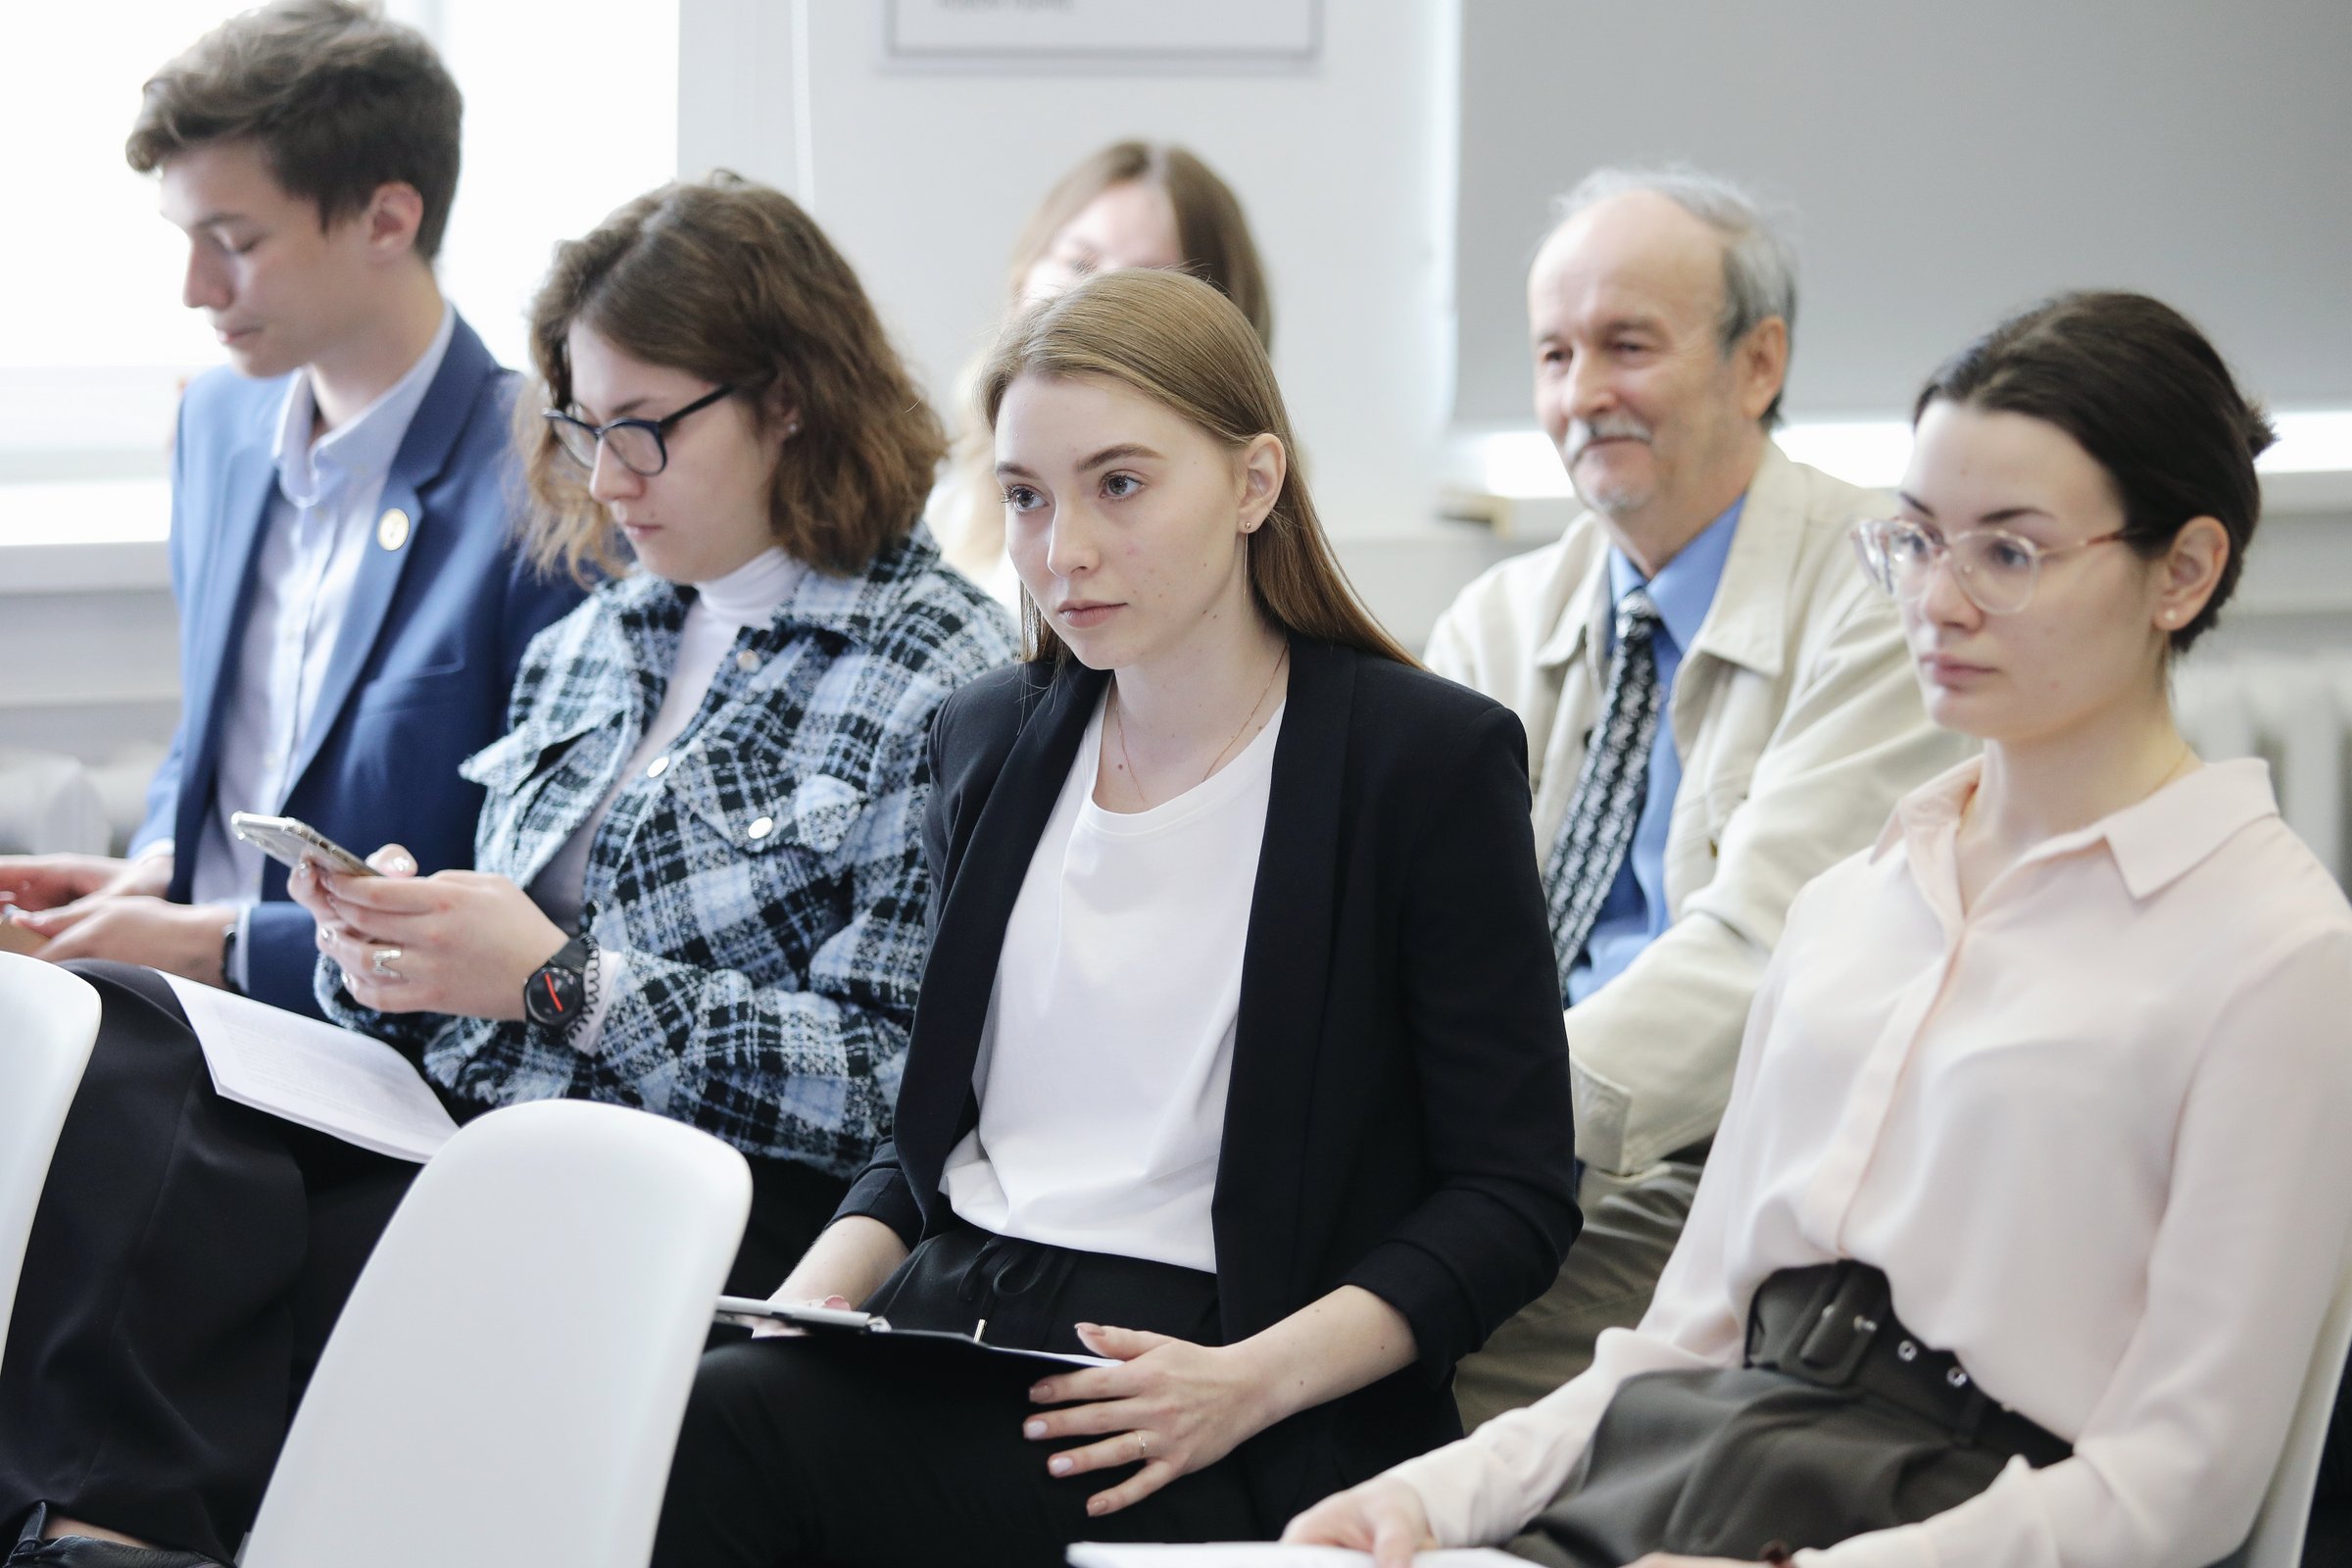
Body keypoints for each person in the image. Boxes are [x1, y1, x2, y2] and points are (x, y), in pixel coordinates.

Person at [0, 174, 1016, 1568]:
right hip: (473, 1116)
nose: (606, 481)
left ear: (789, 398)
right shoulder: (602, 637)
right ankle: (104, 1531)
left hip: (697, 1178)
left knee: (241, 1253)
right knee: (131, 1031)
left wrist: (562, 983)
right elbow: (499, 959)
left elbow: (891, 1090)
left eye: (647, 429)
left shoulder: (941, 673)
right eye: (587, 428)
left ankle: (105, 1529)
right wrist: (394, 943)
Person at [1288, 290, 2352, 1567]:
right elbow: (1681, 1345)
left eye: (2007, 553)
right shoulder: (1855, 903)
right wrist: (1430, 1499)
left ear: (2182, 570)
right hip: (1697, 1476)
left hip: (1954, 1524)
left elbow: (2181, 1486)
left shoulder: (2277, 956)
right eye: (1915, 540)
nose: (1937, 603)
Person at [648, 268, 1583, 1568]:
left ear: (1255, 483)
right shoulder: (986, 738)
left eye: (1120, 485)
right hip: (953, 1322)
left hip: (1227, 1376)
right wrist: (823, 1290)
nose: (1061, 551)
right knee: (680, 1422)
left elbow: (1514, 1195)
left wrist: (1248, 1381)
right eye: (1026, 497)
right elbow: (932, 1142)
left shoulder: (1419, 763)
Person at [1431, 168, 1967, 1428]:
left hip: (1725, 1152)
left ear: (1758, 362)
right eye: (1555, 353)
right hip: (1505, 1131)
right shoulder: (1497, 618)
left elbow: (1764, 960)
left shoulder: (1890, 596)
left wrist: (1469, 1124)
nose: (1582, 394)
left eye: (1629, 345)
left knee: (1422, 1361)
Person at [0, 0, 584, 1017]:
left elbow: (523, 883)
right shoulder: (218, 423)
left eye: (233, 240)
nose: (194, 287)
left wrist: (220, 941)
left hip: (379, 1046)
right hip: (192, 1005)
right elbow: (219, 739)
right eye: (188, 239)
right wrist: (155, 869)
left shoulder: (550, 473)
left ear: (388, 220)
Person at [934, 140, 1271, 608]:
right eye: (1079, 264)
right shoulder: (946, 504)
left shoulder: (1243, 530)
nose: (1095, 301)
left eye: (1146, 282)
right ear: (1021, 277)